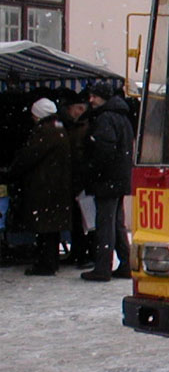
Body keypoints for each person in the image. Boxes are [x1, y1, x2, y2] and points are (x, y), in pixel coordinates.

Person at [6, 98, 72, 276]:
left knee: (45, 229)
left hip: (45, 187)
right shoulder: (59, 129)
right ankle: (50, 262)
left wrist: (10, 172)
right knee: (51, 229)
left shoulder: (45, 132)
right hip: (56, 186)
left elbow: (29, 156)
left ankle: (46, 264)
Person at [81, 81, 134, 282]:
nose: (91, 100)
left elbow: (103, 151)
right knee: (116, 223)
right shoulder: (122, 117)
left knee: (105, 223)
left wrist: (91, 169)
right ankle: (126, 264)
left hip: (107, 179)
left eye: (94, 96)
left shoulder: (105, 119)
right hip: (119, 178)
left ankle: (103, 267)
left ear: (103, 97)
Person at [60, 91, 95, 268]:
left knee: (84, 221)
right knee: (80, 220)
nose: (78, 112)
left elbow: (80, 156)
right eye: (77, 108)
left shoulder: (82, 127)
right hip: (78, 180)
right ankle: (79, 253)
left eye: (82, 108)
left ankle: (83, 254)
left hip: (81, 180)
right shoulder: (77, 127)